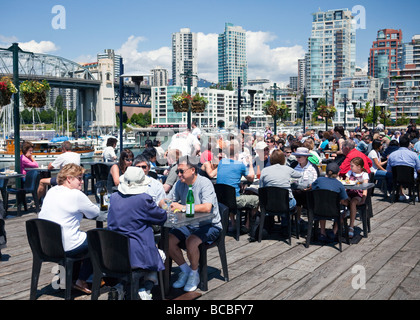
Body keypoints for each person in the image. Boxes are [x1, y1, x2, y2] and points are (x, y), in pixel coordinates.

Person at [161, 156, 222, 292]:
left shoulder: (204, 183)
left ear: (193, 170)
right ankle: (186, 271)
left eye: (181, 171)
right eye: (177, 172)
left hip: (209, 224)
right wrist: (164, 203)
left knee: (191, 241)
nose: (179, 174)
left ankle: (195, 274)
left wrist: (182, 207)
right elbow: (167, 200)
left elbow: (207, 207)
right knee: (168, 240)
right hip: (189, 224)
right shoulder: (179, 184)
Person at [107, 166, 167, 300]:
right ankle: (145, 289)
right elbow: (162, 217)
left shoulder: (114, 197)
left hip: (113, 252)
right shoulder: (143, 199)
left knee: (136, 262)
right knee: (160, 255)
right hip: (136, 253)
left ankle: (122, 286)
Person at [38, 163, 99, 294]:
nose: (82, 182)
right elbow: (94, 213)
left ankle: (68, 279)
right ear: (69, 179)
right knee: (97, 239)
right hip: (65, 245)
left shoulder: (52, 190)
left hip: (46, 245)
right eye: (80, 178)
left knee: (78, 236)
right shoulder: (76, 195)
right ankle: (82, 279)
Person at [216, 143, 257, 232]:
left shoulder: (221, 162)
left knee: (230, 193)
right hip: (234, 199)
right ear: (237, 154)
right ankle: (247, 225)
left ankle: (233, 223)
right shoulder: (240, 165)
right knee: (256, 199)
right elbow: (251, 177)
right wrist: (250, 163)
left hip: (222, 199)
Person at [259, 150, 302, 226]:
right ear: (283, 159)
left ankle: (270, 225)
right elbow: (299, 175)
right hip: (286, 204)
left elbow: (261, 187)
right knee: (293, 200)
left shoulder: (264, 170)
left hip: (269, 204)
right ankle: (285, 224)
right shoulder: (287, 169)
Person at [311, 162, 349, 242]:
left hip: (318, 210)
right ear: (338, 173)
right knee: (344, 212)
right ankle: (334, 232)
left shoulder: (319, 180)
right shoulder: (339, 184)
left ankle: (322, 232)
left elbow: (312, 188)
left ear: (326, 172)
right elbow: (343, 201)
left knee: (322, 205)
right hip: (334, 212)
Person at [386, 135, 420, 201]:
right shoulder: (414, 155)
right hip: (411, 178)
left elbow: (389, 170)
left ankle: (399, 194)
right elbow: (418, 169)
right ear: (408, 144)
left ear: (399, 144)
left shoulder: (392, 154)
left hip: (396, 178)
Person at [291, 147, 318, 224]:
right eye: (296, 157)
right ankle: (296, 220)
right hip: (295, 191)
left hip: (309, 192)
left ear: (306, 157)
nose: (297, 159)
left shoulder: (312, 167)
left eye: (299, 157)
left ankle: (308, 222)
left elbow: (316, 182)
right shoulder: (293, 165)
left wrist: (310, 187)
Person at [345, 157, 370, 238]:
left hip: (358, 194)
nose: (350, 167)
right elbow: (346, 182)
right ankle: (339, 222)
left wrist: (363, 199)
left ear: (359, 167)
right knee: (340, 200)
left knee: (353, 202)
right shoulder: (349, 173)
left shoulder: (364, 175)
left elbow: (365, 188)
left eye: (352, 166)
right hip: (349, 193)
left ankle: (351, 226)